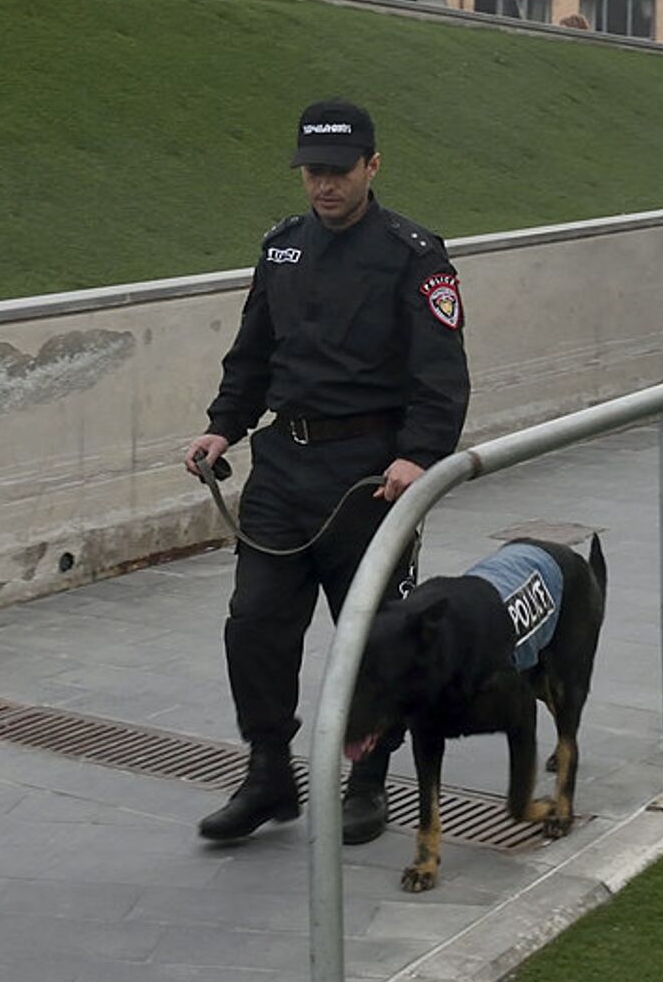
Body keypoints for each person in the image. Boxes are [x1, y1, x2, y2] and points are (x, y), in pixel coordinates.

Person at [184, 99, 470, 845]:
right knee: (255, 625)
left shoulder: (414, 255)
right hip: (284, 467)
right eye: (312, 173)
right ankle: (269, 770)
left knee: (373, 635)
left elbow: (441, 376)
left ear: (372, 166)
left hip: (371, 474)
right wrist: (222, 427)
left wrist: (419, 455)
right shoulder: (282, 248)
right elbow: (252, 354)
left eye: (338, 173)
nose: (324, 188)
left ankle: (367, 780)